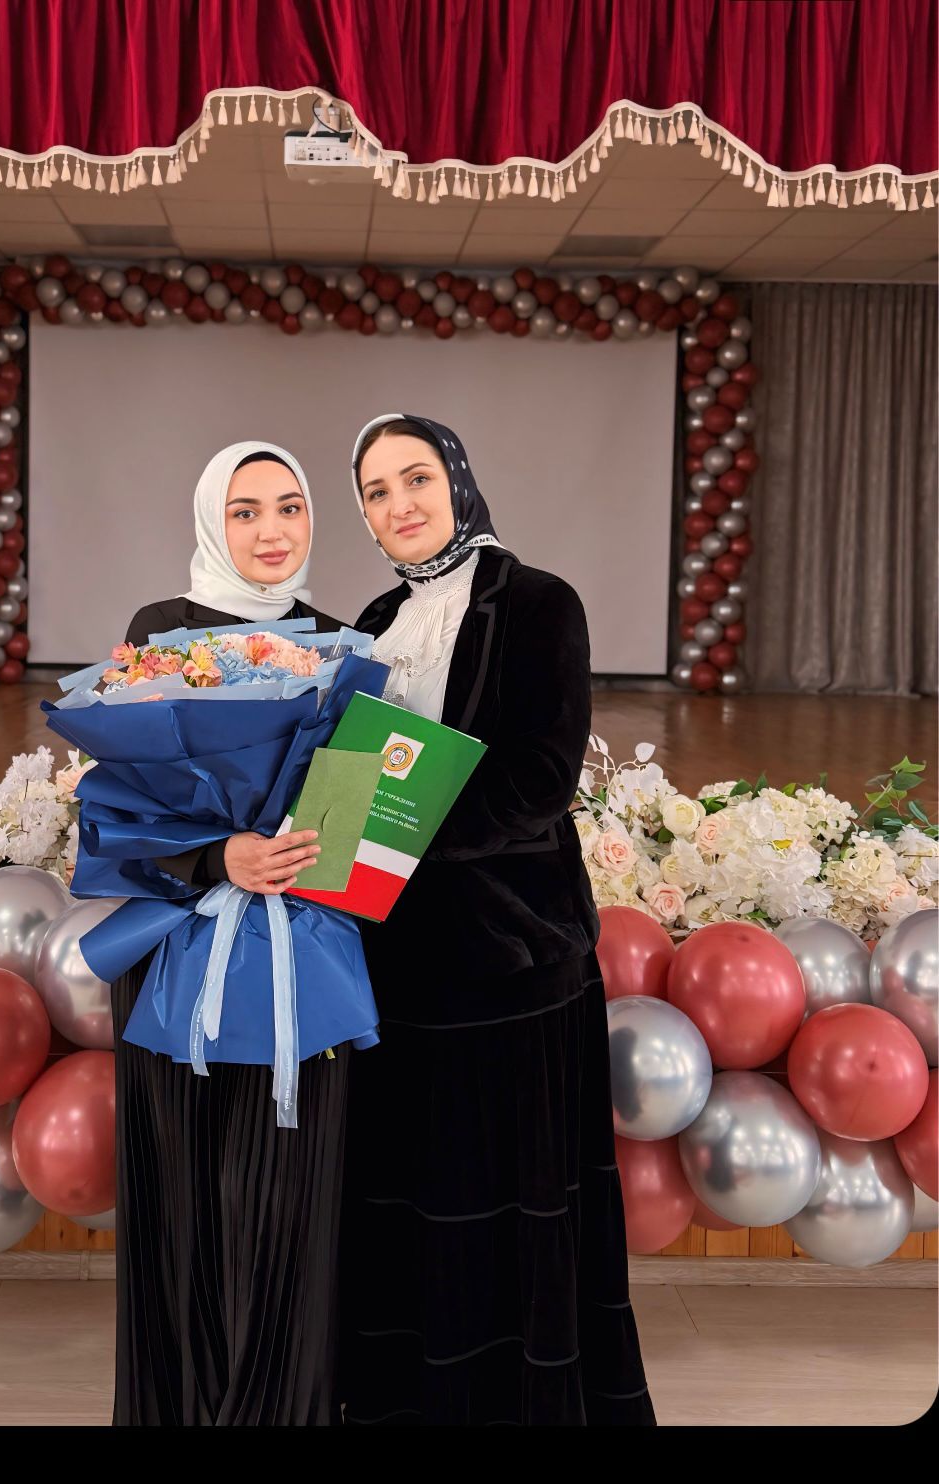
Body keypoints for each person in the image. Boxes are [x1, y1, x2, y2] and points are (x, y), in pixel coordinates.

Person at [339, 413, 656, 1427]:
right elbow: (345, 779)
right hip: (393, 962)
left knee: (505, 1212)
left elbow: (536, 779)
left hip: (509, 958)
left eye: (416, 478)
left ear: (457, 481)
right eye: (376, 491)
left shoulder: (537, 601)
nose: (400, 504)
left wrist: (393, 827)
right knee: (415, 1207)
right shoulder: (371, 620)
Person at [112, 441, 346, 1426]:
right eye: (244, 510)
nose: (271, 529)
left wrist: (322, 842)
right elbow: (122, 807)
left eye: (288, 506)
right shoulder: (160, 632)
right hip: (182, 947)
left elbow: (354, 812)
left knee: (288, 1198)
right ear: (214, 522)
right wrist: (222, 856)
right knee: (188, 1195)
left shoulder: (341, 643)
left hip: (301, 951)